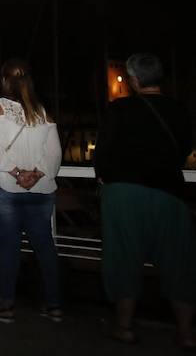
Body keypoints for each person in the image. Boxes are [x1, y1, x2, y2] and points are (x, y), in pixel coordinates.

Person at [94, 53, 194, 348]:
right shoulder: (179, 110)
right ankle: (186, 332)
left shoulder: (120, 109)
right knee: (179, 261)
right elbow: (184, 149)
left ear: (134, 80)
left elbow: (104, 150)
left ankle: (124, 326)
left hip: (123, 191)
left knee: (123, 257)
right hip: (169, 193)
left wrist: (104, 174)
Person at [0, 59, 62, 323]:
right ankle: (54, 305)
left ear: (5, 80)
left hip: (5, 187)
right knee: (44, 246)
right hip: (40, 190)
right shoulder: (44, 113)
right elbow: (54, 155)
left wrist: (16, 173)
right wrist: (36, 174)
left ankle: (5, 306)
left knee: (9, 247)